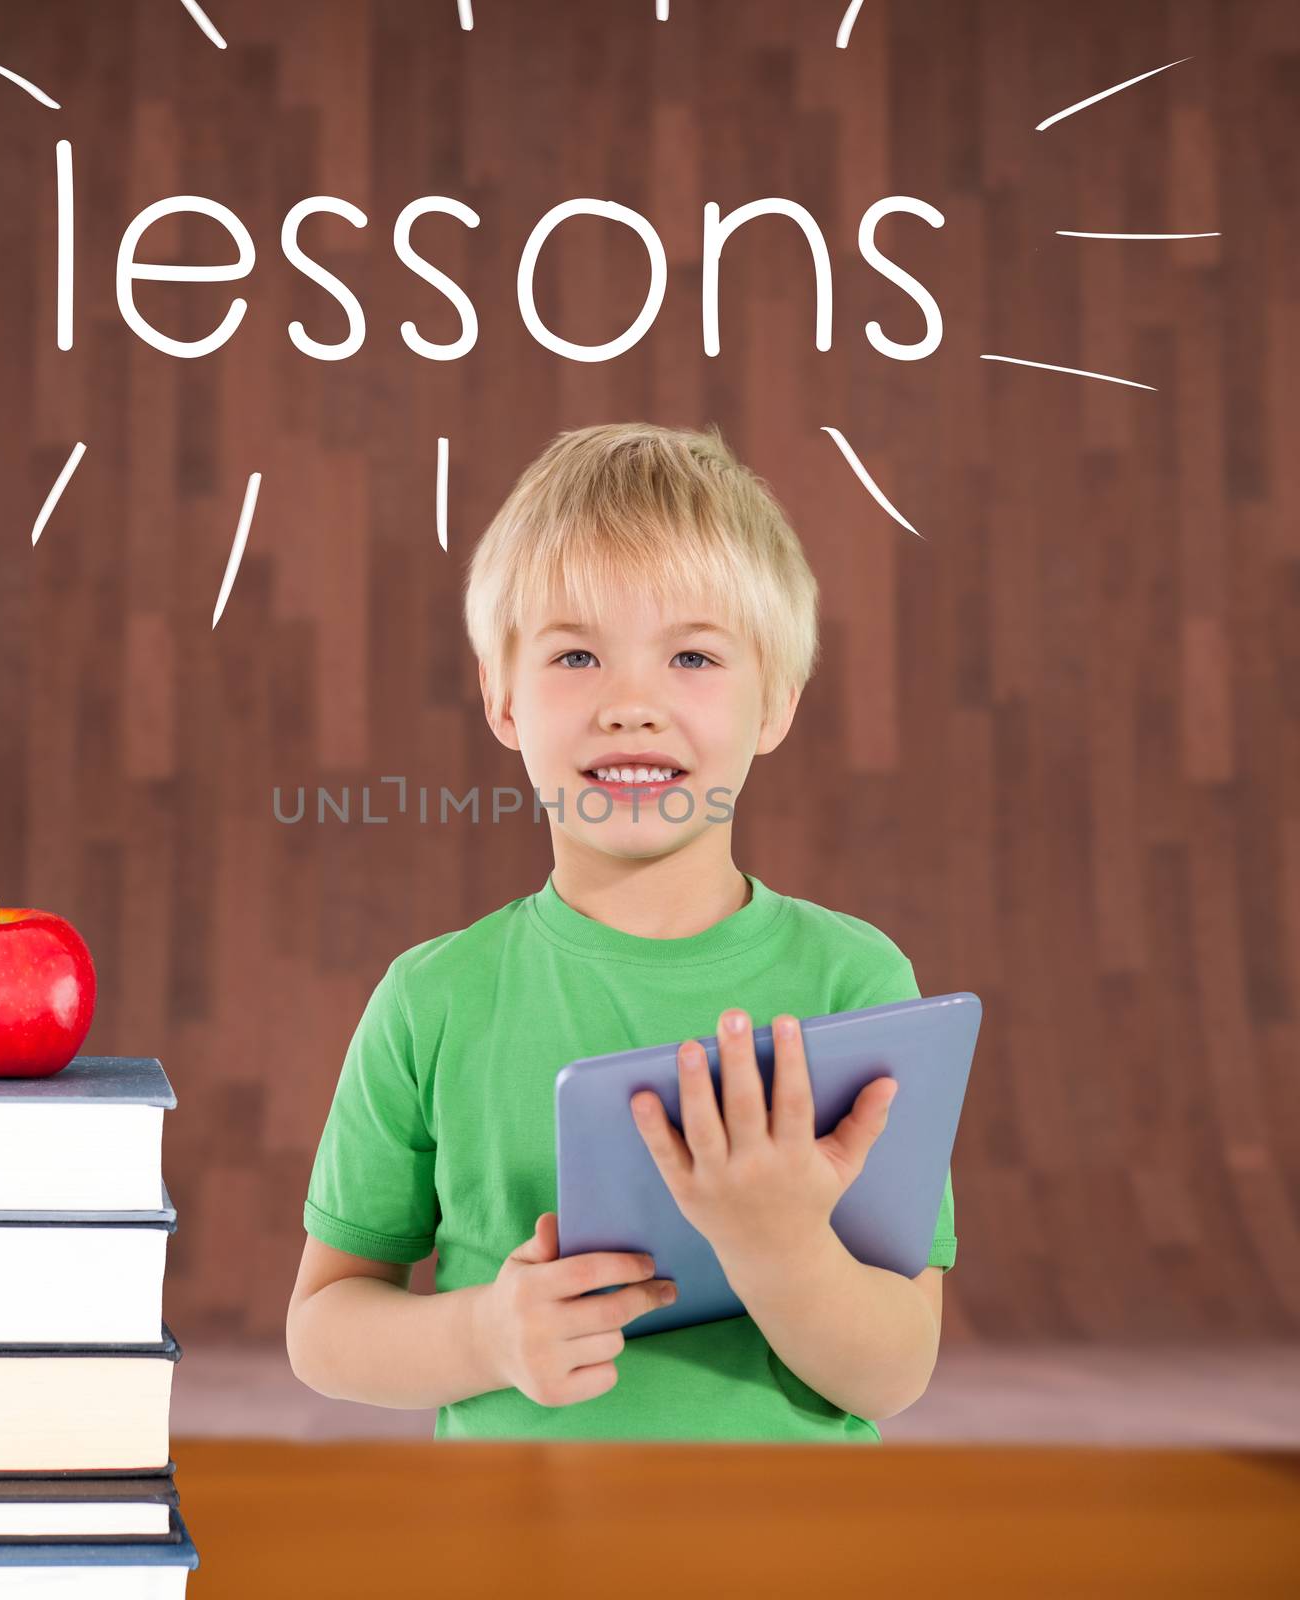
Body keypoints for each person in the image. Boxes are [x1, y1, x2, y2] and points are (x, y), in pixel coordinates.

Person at [287, 421, 955, 1441]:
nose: (631, 704)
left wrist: (778, 1246)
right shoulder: (433, 998)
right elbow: (324, 1328)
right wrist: (485, 1337)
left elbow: (894, 1372)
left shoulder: (855, 984)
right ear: (500, 697)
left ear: (774, 701)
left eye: (691, 654)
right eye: (575, 654)